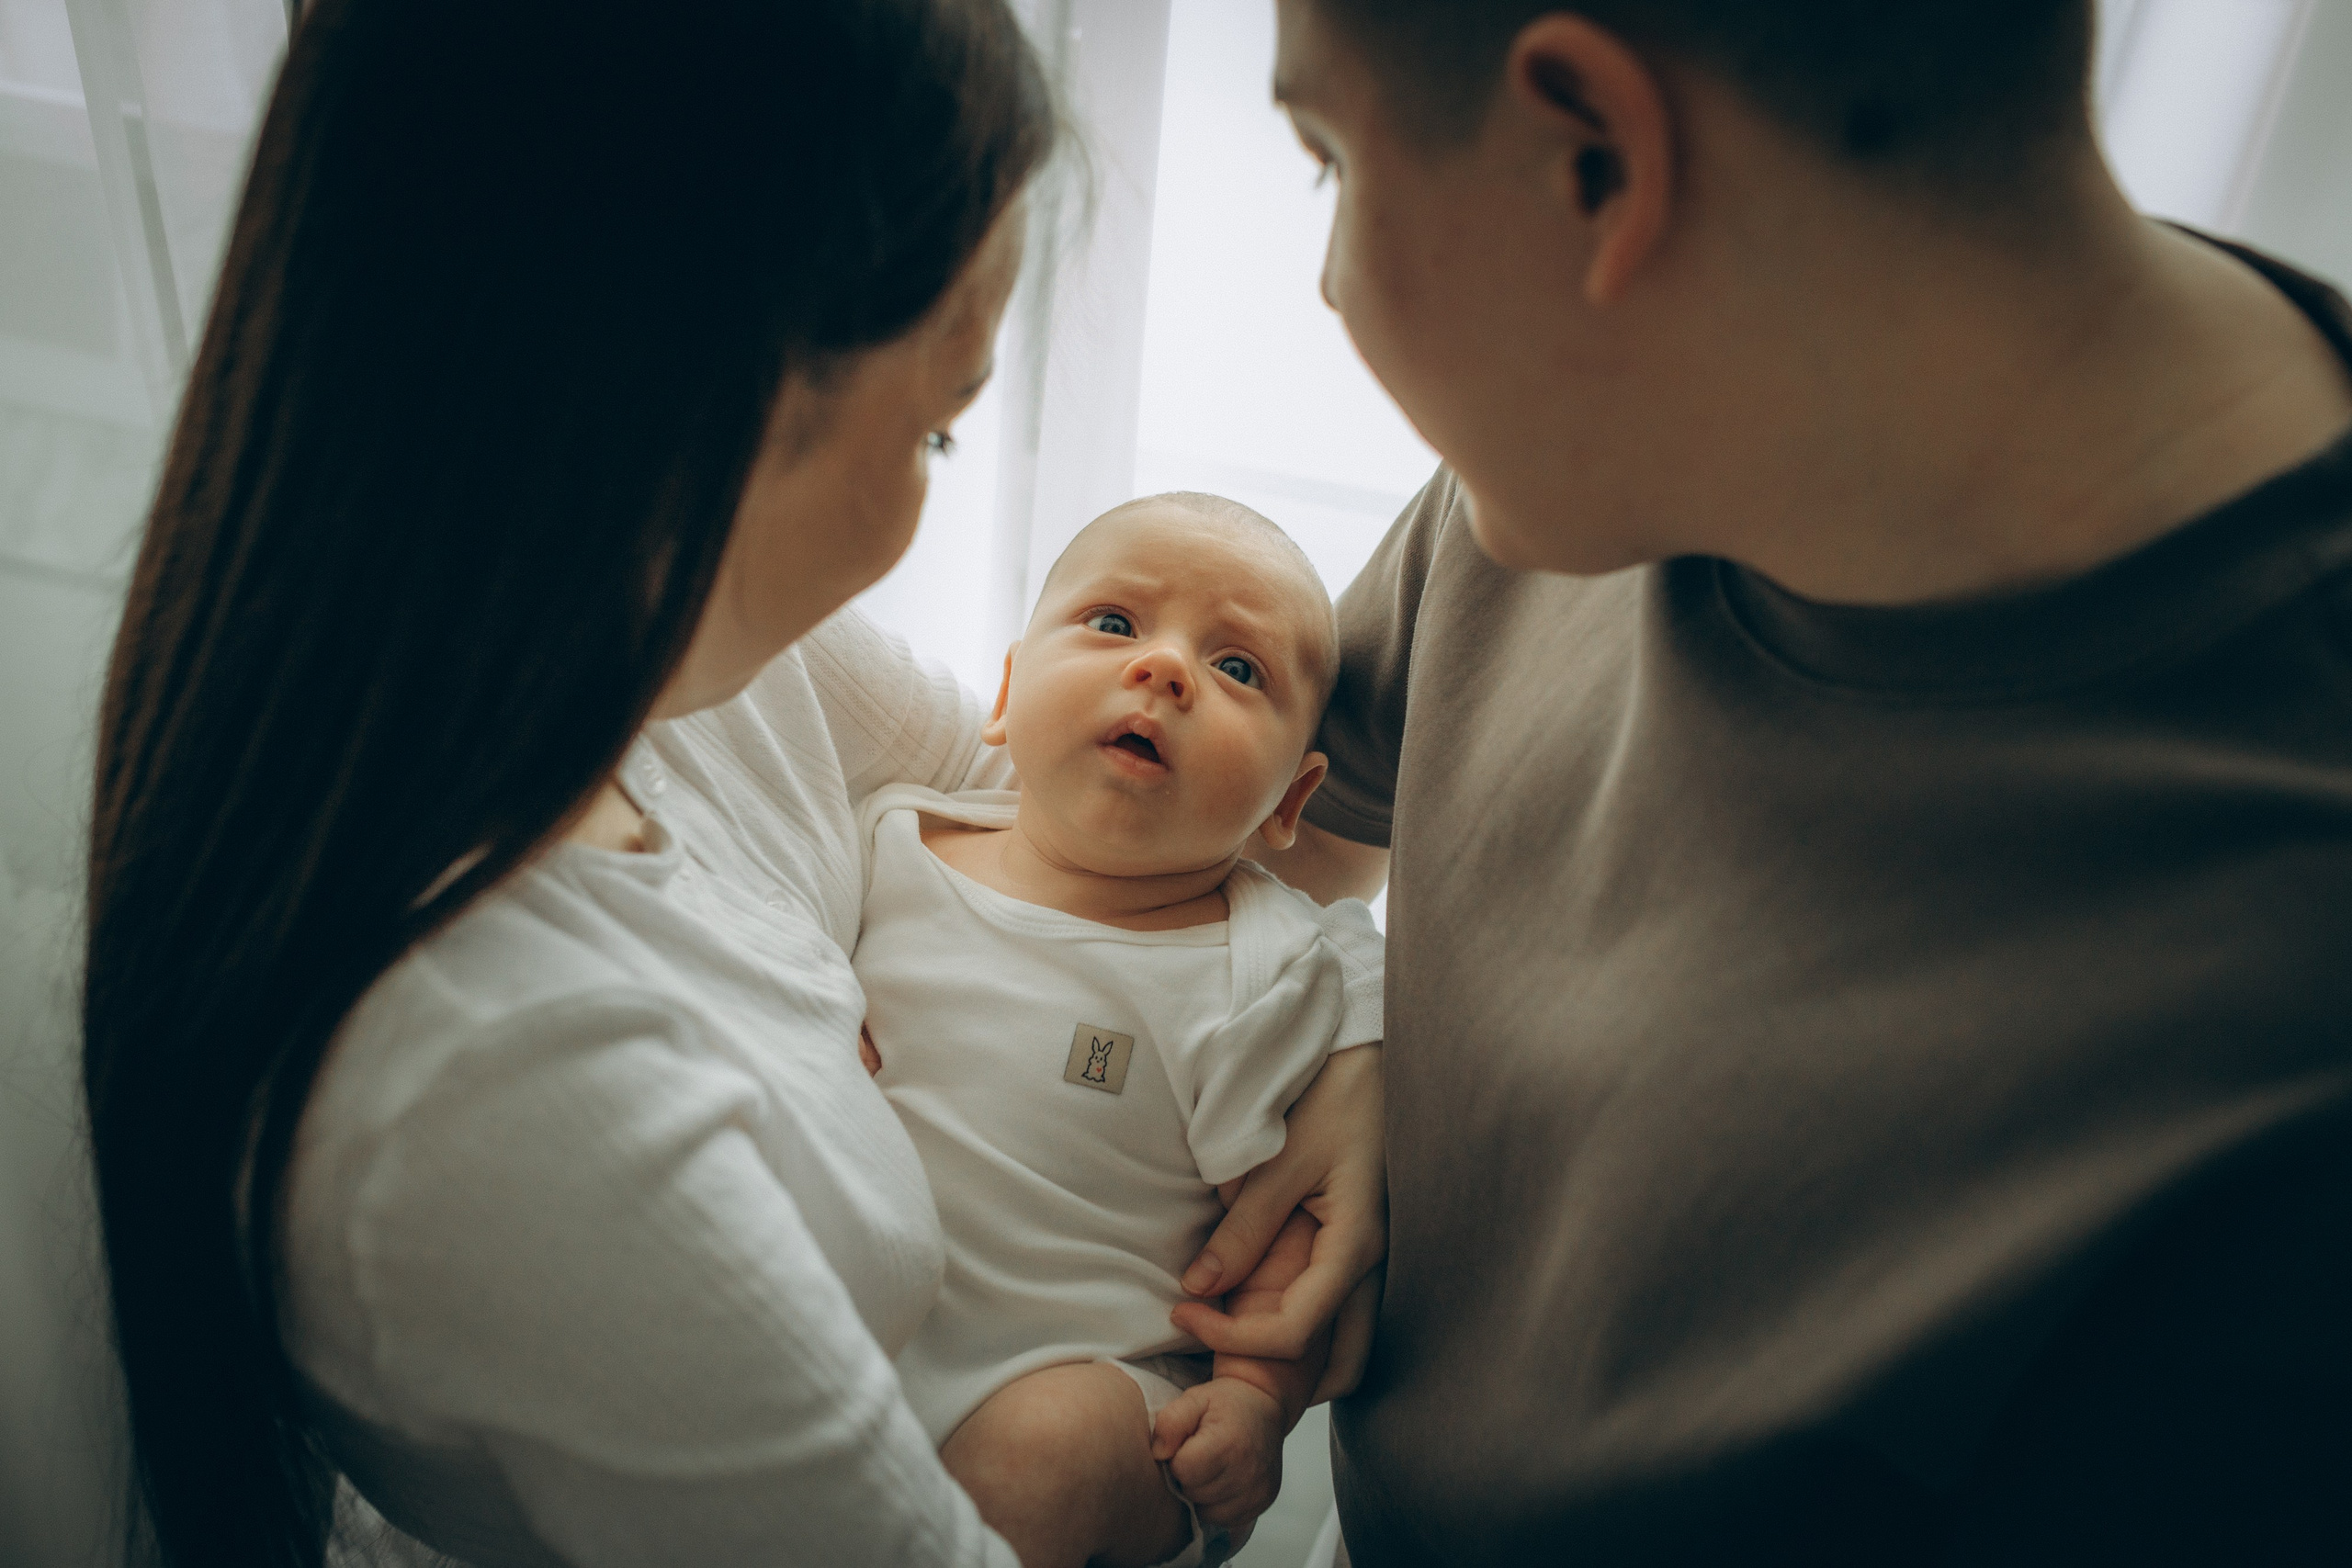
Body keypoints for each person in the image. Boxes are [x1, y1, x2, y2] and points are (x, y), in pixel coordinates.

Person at [76, 5, 1384, 1566]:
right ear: (687, 395)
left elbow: (1089, 826)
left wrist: (1354, 1051)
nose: (914, 514)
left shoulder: (682, 666)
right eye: (938, 434)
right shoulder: (511, 1088)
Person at [1250, 0, 2352, 1562]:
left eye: (1326, 165)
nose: (1328, 277)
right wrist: (1359, 1050)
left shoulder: (2301, 1052)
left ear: (1597, 164)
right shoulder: (1606, 429)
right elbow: (1266, 845)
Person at [854, 494, 1384, 1568]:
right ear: (1004, 695)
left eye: (1239, 669)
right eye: (1113, 624)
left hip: (1098, 1391)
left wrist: (1254, 1399)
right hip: (840, 1346)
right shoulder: (891, 842)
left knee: (1033, 1458)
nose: (1167, 669)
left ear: (1292, 799)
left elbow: (1294, 1235)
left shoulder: (1263, 971)